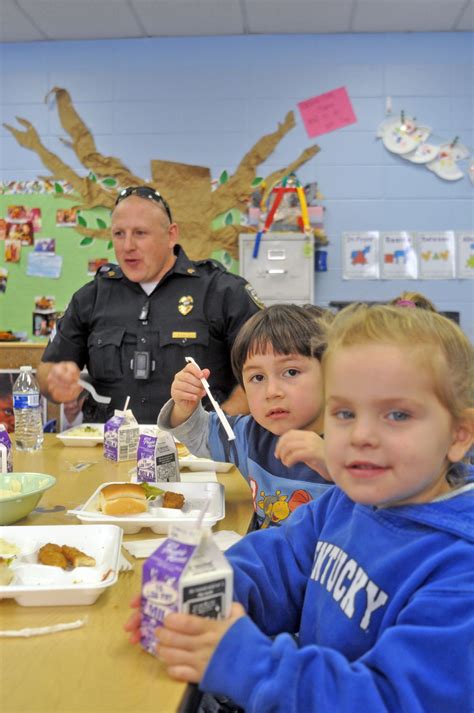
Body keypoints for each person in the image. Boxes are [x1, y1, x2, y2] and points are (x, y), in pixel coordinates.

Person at [126, 302, 474, 713]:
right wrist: (209, 589)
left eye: (396, 414)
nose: (360, 435)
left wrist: (245, 662)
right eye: (344, 413)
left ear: (458, 435)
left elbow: (386, 700)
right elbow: (280, 558)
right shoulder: (349, 500)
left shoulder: (459, 572)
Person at [37, 186, 263, 423]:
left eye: (140, 233)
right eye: (119, 234)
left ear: (171, 235)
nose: (127, 246)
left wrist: (220, 429)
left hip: (197, 452)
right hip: (109, 448)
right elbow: (46, 372)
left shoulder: (222, 292)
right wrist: (54, 381)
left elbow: (264, 374)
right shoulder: (91, 297)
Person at [158, 304, 333, 529]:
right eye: (258, 378)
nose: (272, 392)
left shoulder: (355, 441)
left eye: (291, 372)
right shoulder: (246, 435)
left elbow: (387, 503)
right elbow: (200, 434)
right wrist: (185, 406)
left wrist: (335, 465)